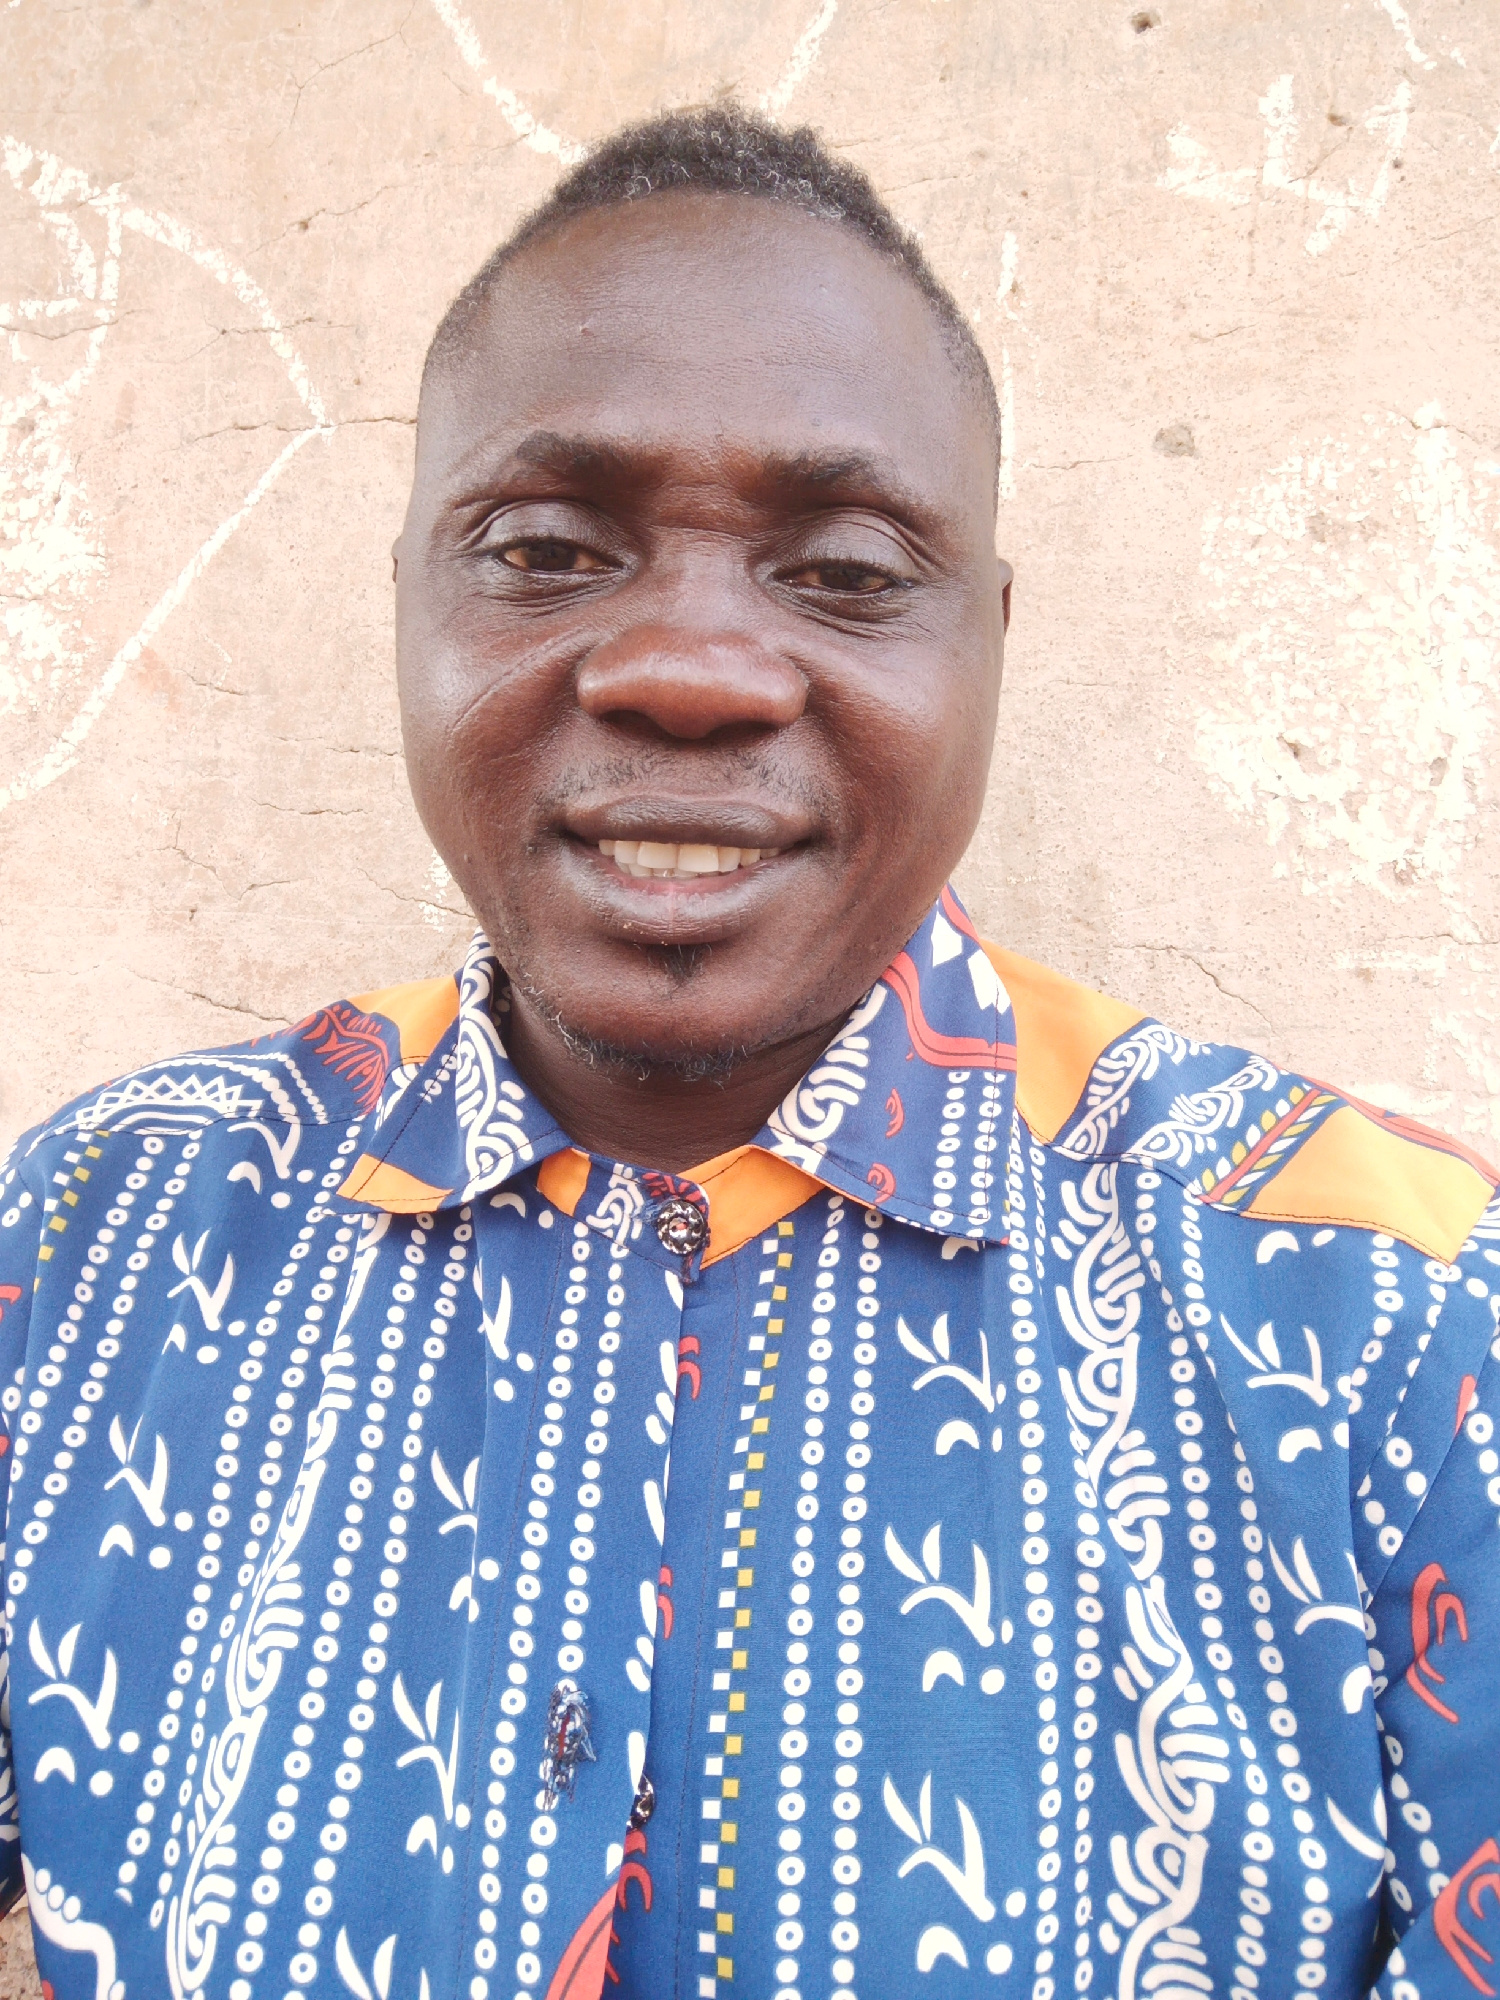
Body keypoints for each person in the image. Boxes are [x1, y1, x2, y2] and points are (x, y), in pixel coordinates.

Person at [0, 106, 1495, 2000]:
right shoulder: (94, 1235)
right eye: (548, 548)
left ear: (991, 645)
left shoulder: (1392, 1311)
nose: (689, 670)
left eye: (847, 572)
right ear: (407, 602)